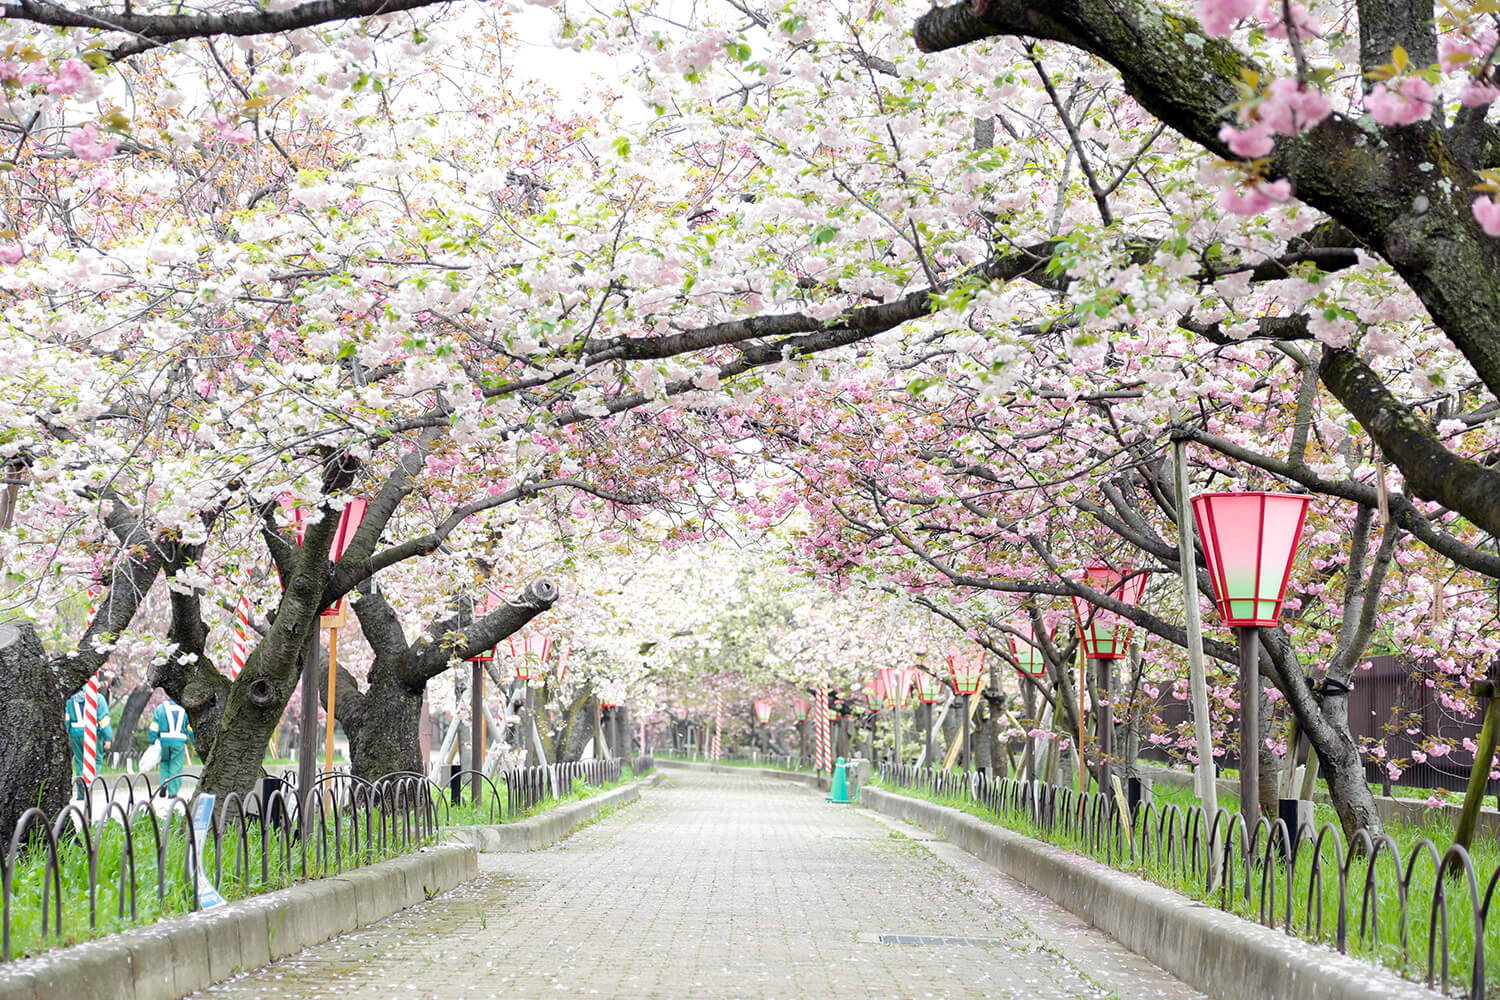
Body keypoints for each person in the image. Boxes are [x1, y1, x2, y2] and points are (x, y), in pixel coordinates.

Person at [64, 685, 113, 794]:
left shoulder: (70, 699)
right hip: (92, 733)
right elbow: (103, 720)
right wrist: (108, 738)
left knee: (80, 761)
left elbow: (66, 718)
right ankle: (87, 784)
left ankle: (81, 791)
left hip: (75, 733)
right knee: (96, 760)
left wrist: (66, 734)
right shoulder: (98, 698)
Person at [149, 698, 194, 796]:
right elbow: (190, 727)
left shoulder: (161, 708)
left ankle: (163, 785)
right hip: (179, 742)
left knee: (165, 763)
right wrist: (194, 742)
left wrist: (152, 740)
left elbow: (154, 726)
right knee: (176, 766)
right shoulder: (184, 708)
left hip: (164, 741)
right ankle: (172, 792)